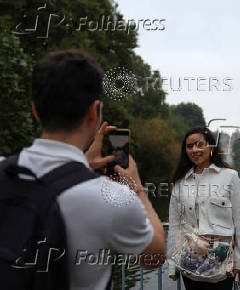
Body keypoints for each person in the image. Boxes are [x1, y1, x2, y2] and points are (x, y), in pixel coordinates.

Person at [15, 49, 166, 289]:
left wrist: (81, 165)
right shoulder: (112, 198)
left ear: (35, 111)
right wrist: (137, 188)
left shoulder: (5, 171)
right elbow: (154, 256)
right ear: (94, 112)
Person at [167, 127, 240, 290]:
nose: (195, 150)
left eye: (200, 145)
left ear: (211, 147)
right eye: (190, 146)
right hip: (189, 264)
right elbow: (175, 226)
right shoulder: (180, 182)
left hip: (221, 265)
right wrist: (172, 263)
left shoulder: (230, 177)